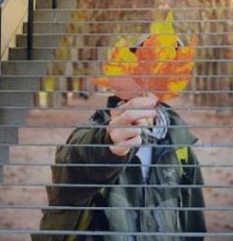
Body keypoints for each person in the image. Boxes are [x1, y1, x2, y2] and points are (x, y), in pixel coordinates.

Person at [34, 94, 206, 241]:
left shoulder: (180, 145)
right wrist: (106, 144)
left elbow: (192, 223)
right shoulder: (91, 133)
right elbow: (74, 164)